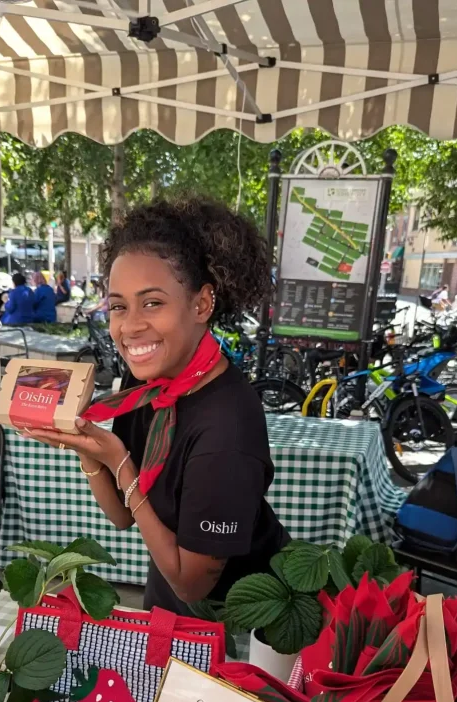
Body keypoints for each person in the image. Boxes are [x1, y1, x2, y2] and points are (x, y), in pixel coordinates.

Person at [22, 196, 289, 615]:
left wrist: (120, 461)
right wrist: (86, 451)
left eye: (153, 303)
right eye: (118, 306)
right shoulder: (144, 384)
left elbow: (192, 584)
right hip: (164, 605)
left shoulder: (227, 426)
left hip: (241, 620)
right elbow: (123, 516)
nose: (129, 326)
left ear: (202, 304)